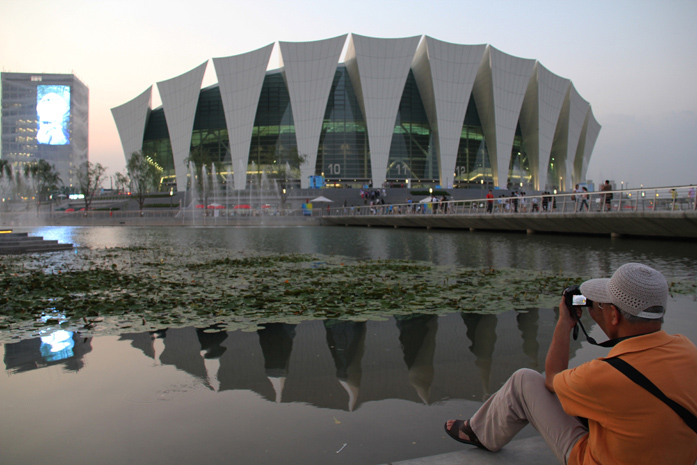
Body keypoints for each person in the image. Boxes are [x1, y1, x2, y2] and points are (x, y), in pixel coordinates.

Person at [445, 263, 697, 465]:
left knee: (524, 380)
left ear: (614, 315)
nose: (594, 309)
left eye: (599, 304)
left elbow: (552, 378)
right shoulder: (688, 350)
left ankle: (479, 432)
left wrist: (564, 323)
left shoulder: (603, 375)